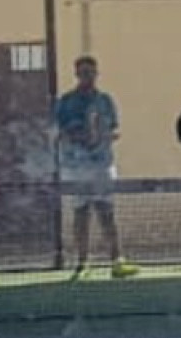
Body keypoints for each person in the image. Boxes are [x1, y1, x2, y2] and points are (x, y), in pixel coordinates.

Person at [53, 56, 138, 281]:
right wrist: (81, 136)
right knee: (81, 214)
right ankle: (82, 264)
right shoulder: (66, 102)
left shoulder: (105, 101)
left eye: (91, 72)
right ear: (76, 74)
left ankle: (117, 261)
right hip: (77, 166)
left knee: (106, 213)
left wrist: (103, 135)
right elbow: (61, 132)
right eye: (83, 72)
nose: (87, 77)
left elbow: (114, 129)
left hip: (102, 165)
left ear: (96, 74)